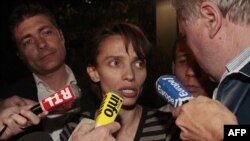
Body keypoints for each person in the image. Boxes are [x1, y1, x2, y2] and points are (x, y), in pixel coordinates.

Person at [60, 22, 180, 141]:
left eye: (139, 64)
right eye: (115, 63)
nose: (130, 75)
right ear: (94, 73)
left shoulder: (169, 127)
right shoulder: (75, 130)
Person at [0, 2, 97, 141]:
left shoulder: (98, 88)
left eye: (46, 32)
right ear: (21, 56)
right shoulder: (8, 104)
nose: (41, 44)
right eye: (28, 41)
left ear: (61, 36)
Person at [171, 0, 250, 140]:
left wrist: (220, 135)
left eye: (185, 35)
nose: (188, 44)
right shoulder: (233, 81)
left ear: (211, 19)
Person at [159, 36, 216, 112]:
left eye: (200, 62)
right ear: (173, 67)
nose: (191, 72)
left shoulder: (231, 118)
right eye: (183, 61)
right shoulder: (153, 121)